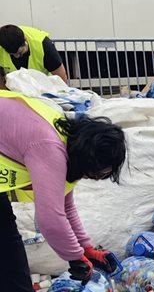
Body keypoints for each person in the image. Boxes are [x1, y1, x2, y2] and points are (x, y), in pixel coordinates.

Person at [0, 90, 127, 290]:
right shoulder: (49, 147)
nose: (91, 178)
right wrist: (75, 258)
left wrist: (87, 249)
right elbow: (51, 219)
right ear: (89, 159)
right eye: (94, 173)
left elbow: (65, 208)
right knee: (7, 247)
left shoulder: (67, 141)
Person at [0, 24, 68, 84]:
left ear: (25, 40)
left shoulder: (43, 45)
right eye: (12, 54)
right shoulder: (1, 47)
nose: (17, 56)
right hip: (15, 89)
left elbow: (61, 78)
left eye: (20, 53)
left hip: (45, 87)